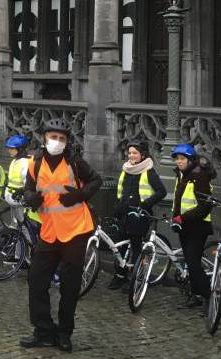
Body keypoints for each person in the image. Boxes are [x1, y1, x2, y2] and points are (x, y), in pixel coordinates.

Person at [20, 119, 102, 353]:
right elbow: (28, 188)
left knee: (70, 286)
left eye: (62, 139)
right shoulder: (35, 163)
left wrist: (80, 195)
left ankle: (64, 333)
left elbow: (96, 180)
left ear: (67, 143)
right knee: (36, 281)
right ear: (44, 139)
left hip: (76, 230)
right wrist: (30, 198)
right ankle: (43, 331)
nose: (57, 142)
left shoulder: (75, 162)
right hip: (49, 231)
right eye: (53, 137)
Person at [110, 141, 167, 291]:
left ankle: (135, 279)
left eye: (135, 153)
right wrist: (117, 206)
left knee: (136, 247)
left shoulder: (149, 171)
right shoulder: (126, 169)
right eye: (130, 153)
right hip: (123, 213)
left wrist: (145, 204)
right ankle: (120, 275)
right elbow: (121, 191)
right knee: (120, 246)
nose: (131, 156)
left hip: (140, 214)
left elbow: (161, 192)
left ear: (143, 155)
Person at [171, 143, 215, 309]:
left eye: (182, 159)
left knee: (193, 262)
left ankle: (209, 297)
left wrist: (182, 218)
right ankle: (196, 295)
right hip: (184, 225)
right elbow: (179, 199)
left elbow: (205, 206)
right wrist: (175, 217)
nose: (179, 162)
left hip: (198, 225)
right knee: (191, 262)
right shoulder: (181, 175)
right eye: (177, 159)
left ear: (190, 160)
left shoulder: (199, 176)